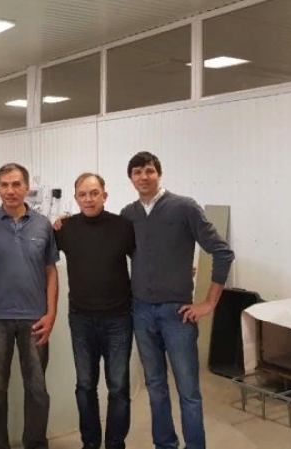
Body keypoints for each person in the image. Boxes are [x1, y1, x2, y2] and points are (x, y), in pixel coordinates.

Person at [120, 151, 235, 449]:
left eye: (149, 170)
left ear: (159, 173)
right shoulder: (128, 214)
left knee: (188, 391)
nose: (143, 177)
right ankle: (165, 444)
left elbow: (223, 252)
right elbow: (129, 254)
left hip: (178, 315)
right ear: (130, 178)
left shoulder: (184, 207)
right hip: (141, 312)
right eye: (137, 172)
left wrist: (208, 303)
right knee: (155, 387)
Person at [0, 162, 60, 449]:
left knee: (37, 389)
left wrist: (51, 314)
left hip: (35, 319)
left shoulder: (42, 224)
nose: (10, 190)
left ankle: (35, 443)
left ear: (26, 188)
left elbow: (51, 272)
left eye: (16, 184)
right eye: (4, 185)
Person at [53, 173, 135, 449]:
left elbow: (146, 259)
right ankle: (90, 443)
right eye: (83, 194)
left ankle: (115, 444)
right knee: (85, 386)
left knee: (119, 388)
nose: (88, 199)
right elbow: (38, 251)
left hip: (119, 319)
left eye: (94, 193)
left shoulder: (123, 226)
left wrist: (176, 270)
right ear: (76, 198)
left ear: (104, 195)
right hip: (81, 319)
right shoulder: (65, 229)